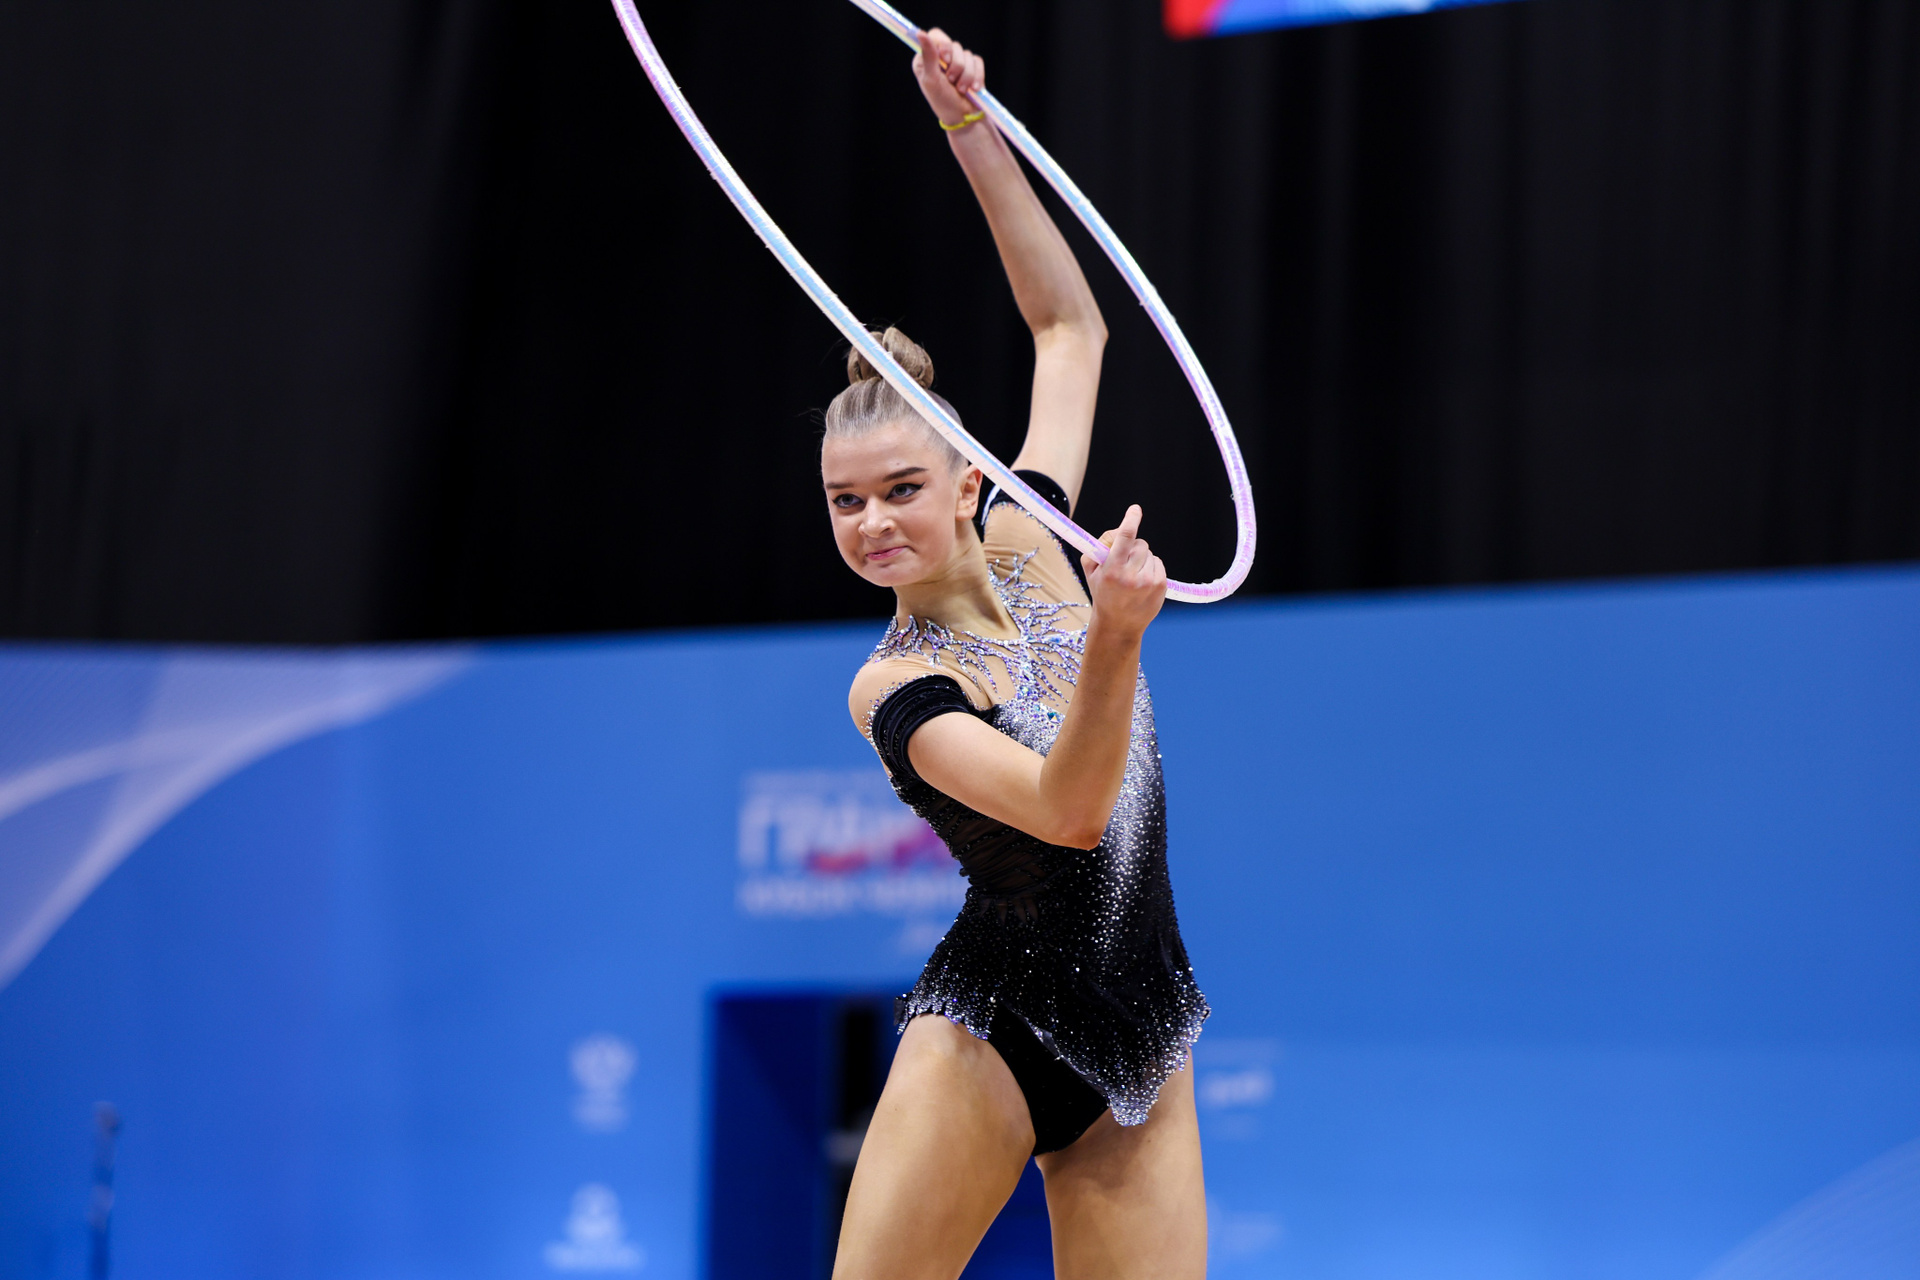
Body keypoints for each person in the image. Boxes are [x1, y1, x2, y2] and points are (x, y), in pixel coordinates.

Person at [819, 28, 1209, 1280]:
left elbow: (1069, 326)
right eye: (843, 501)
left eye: (899, 487)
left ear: (969, 480)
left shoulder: (1037, 536)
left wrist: (967, 127)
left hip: (1143, 1028)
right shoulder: (893, 684)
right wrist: (1116, 637)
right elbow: (1068, 810)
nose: (871, 522)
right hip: (992, 1032)